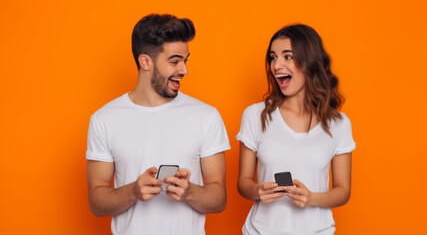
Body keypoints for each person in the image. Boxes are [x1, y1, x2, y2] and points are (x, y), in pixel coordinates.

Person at [86, 14, 230, 235]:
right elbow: (97, 202)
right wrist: (133, 191)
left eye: (185, 60)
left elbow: (219, 199)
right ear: (146, 62)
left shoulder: (206, 116)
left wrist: (189, 192)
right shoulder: (104, 119)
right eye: (174, 61)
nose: (184, 70)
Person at [236, 24, 356, 235]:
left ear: (310, 63)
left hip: (318, 231)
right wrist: (258, 190)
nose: (277, 65)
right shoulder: (255, 115)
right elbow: (243, 183)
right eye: (273, 57)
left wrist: (312, 199)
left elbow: (343, 191)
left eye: (287, 57)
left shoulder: (339, 123)